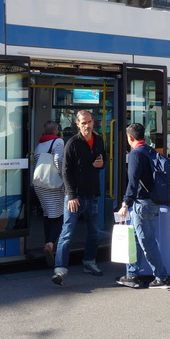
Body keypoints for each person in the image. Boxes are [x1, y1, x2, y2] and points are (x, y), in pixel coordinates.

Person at [51, 109, 107, 286]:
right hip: (75, 197)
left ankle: (89, 262)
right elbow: (65, 171)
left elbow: (103, 160)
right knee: (67, 234)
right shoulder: (72, 143)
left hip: (93, 195)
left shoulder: (98, 140)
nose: (87, 125)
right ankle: (60, 269)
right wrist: (72, 196)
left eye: (89, 122)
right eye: (83, 122)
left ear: (93, 122)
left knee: (94, 233)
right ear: (77, 124)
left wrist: (102, 163)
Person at [115, 123, 170, 290]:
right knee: (136, 240)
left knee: (147, 242)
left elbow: (132, 182)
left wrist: (125, 203)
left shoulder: (135, 154)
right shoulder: (150, 150)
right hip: (151, 201)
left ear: (130, 138)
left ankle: (162, 277)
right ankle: (132, 275)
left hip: (142, 204)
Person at [32, 120, 64, 267]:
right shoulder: (58, 142)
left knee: (48, 214)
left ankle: (47, 242)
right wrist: (63, 177)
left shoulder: (39, 145)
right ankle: (50, 244)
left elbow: (36, 163)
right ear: (56, 131)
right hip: (53, 184)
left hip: (40, 184)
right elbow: (58, 160)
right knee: (59, 214)